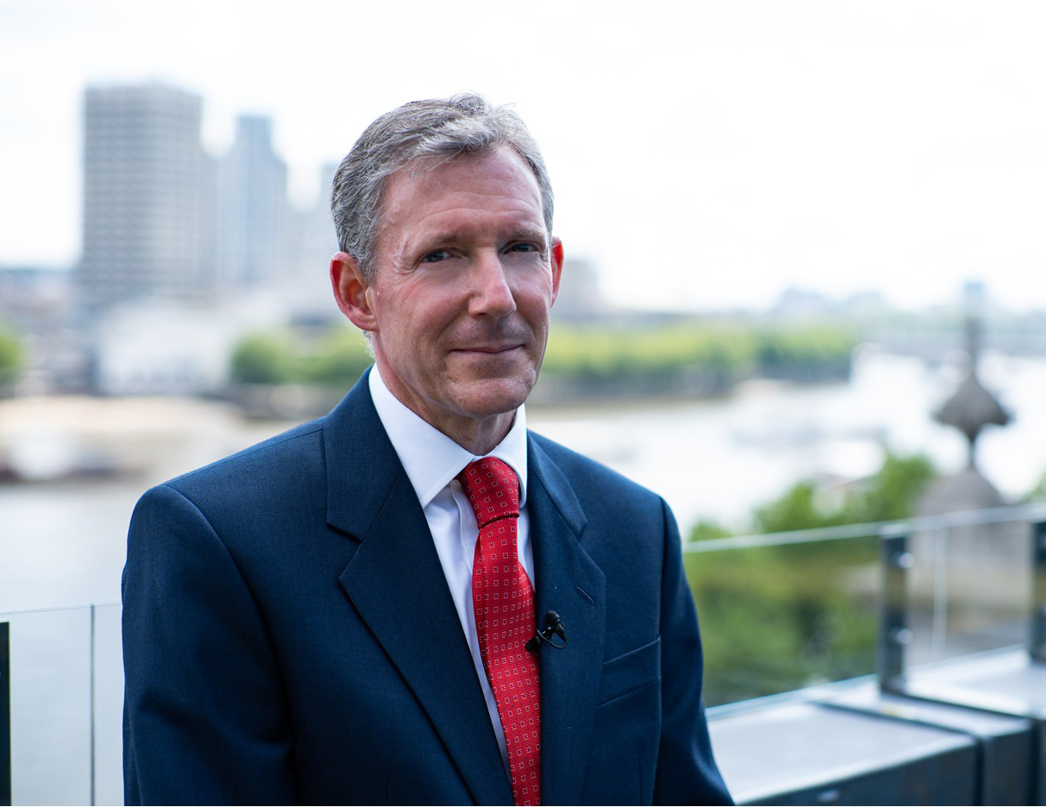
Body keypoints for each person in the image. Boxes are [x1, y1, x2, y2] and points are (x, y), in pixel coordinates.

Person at [122, 93, 732, 806]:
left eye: (520, 248)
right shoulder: (217, 543)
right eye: (443, 255)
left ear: (556, 270)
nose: (496, 295)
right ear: (358, 294)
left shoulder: (636, 528)